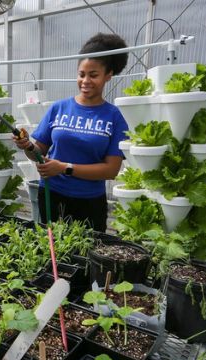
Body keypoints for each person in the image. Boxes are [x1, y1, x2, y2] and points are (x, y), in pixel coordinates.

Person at [13, 33, 129, 232]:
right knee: (50, 252)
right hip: (52, 194)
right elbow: (38, 152)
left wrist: (64, 167)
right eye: (81, 74)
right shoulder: (59, 108)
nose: (85, 81)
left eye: (93, 75)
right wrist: (27, 146)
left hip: (90, 202)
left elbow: (111, 170)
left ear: (108, 75)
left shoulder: (114, 117)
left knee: (86, 255)